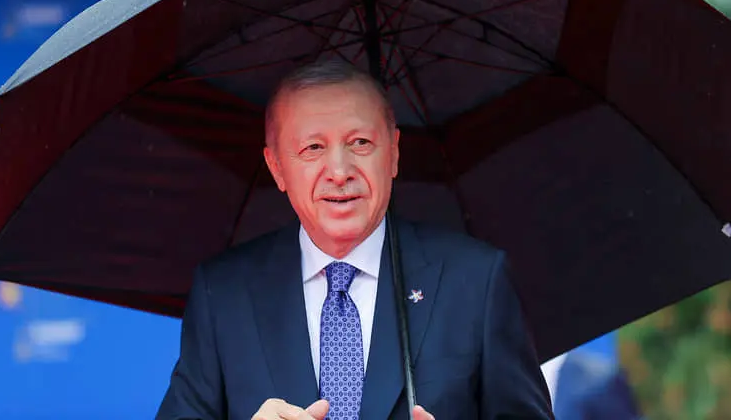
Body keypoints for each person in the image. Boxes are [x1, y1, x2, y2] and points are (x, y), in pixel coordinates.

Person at [156, 60, 553, 420]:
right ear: (276, 167)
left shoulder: (474, 280)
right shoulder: (224, 294)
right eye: (313, 148)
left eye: (360, 143)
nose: (339, 170)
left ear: (393, 153)